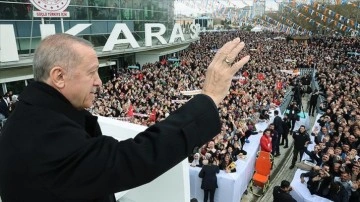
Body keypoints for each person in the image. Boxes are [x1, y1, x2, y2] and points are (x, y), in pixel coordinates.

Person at [0, 34, 250, 201]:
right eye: (92, 72)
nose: (99, 82)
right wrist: (209, 98)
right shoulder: (42, 133)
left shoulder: (32, 114)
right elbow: (134, 159)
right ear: (59, 76)